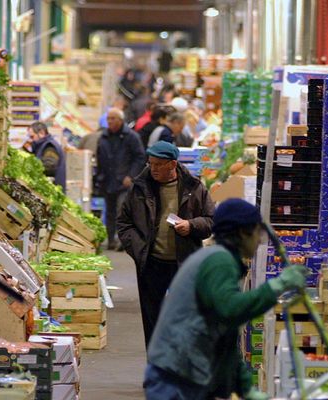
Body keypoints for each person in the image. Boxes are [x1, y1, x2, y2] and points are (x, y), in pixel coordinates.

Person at [144, 198, 308, 400]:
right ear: (242, 233)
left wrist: (245, 388)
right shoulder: (219, 262)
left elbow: (225, 336)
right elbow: (231, 310)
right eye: (257, 233)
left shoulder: (217, 259)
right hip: (175, 378)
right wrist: (276, 286)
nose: (259, 241)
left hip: (185, 372)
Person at [117, 141, 215, 347]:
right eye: (150, 163)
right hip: (152, 263)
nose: (153, 169)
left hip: (184, 263)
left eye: (159, 165)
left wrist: (191, 225)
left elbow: (211, 221)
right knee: (153, 322)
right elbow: (124, 222)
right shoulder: (140, 187)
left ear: (172, 164)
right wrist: (138, 249)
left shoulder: (194, 187)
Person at [97, 108, 146, 250]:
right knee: (110, 211)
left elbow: (140, 157)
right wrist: (99, 177)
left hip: (124, 182)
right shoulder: (103, 137)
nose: (110, 122)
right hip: (108, 180)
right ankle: (111, 239)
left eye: (113, 119)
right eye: (108, 119)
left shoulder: (131, 136)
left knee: (121, 210)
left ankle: (121, 240)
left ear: (120, 120)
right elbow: (100, 157)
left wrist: (131, 176)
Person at [27, 121, 66, 191]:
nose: (30, 140)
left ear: (41, 133)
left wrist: (30, 168)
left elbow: (50, 166)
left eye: (32, 136)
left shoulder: (49, 147)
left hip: (53, 190)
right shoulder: (43, 146)